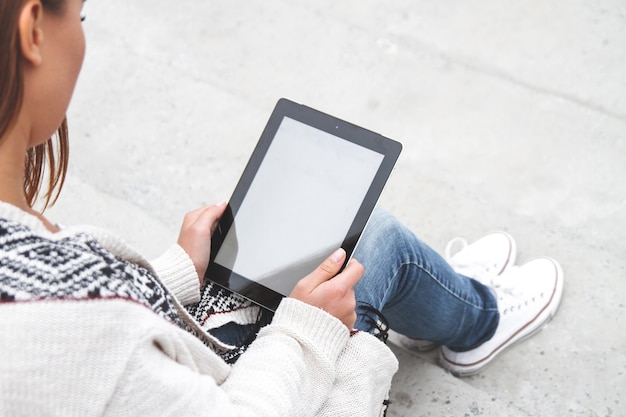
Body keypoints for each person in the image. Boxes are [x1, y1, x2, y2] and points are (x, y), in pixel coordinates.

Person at [0, 1, 564, 416]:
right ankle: (480, 320)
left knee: (326, 243)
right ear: (32, 30)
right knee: (375, 244)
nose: (80, 32)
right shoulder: (75, 331)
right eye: (80, 15)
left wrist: (178, 273)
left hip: (205, 362)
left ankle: (459, 302)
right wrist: (309, 331)